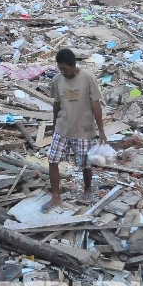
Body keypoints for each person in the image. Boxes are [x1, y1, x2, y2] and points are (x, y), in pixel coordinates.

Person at [42, 48, 106, 213]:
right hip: (63, 128)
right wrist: (54, 123)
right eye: (60, 68)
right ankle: (56, 196)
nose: (62, 72)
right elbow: (56, 103)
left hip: (83, 129)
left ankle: (87, 189)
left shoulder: (87, 78)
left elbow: (95, 104)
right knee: (53, 160)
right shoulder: (57, 80)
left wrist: (101, 130)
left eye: (65, 68)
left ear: (73, 65)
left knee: (85, 164)